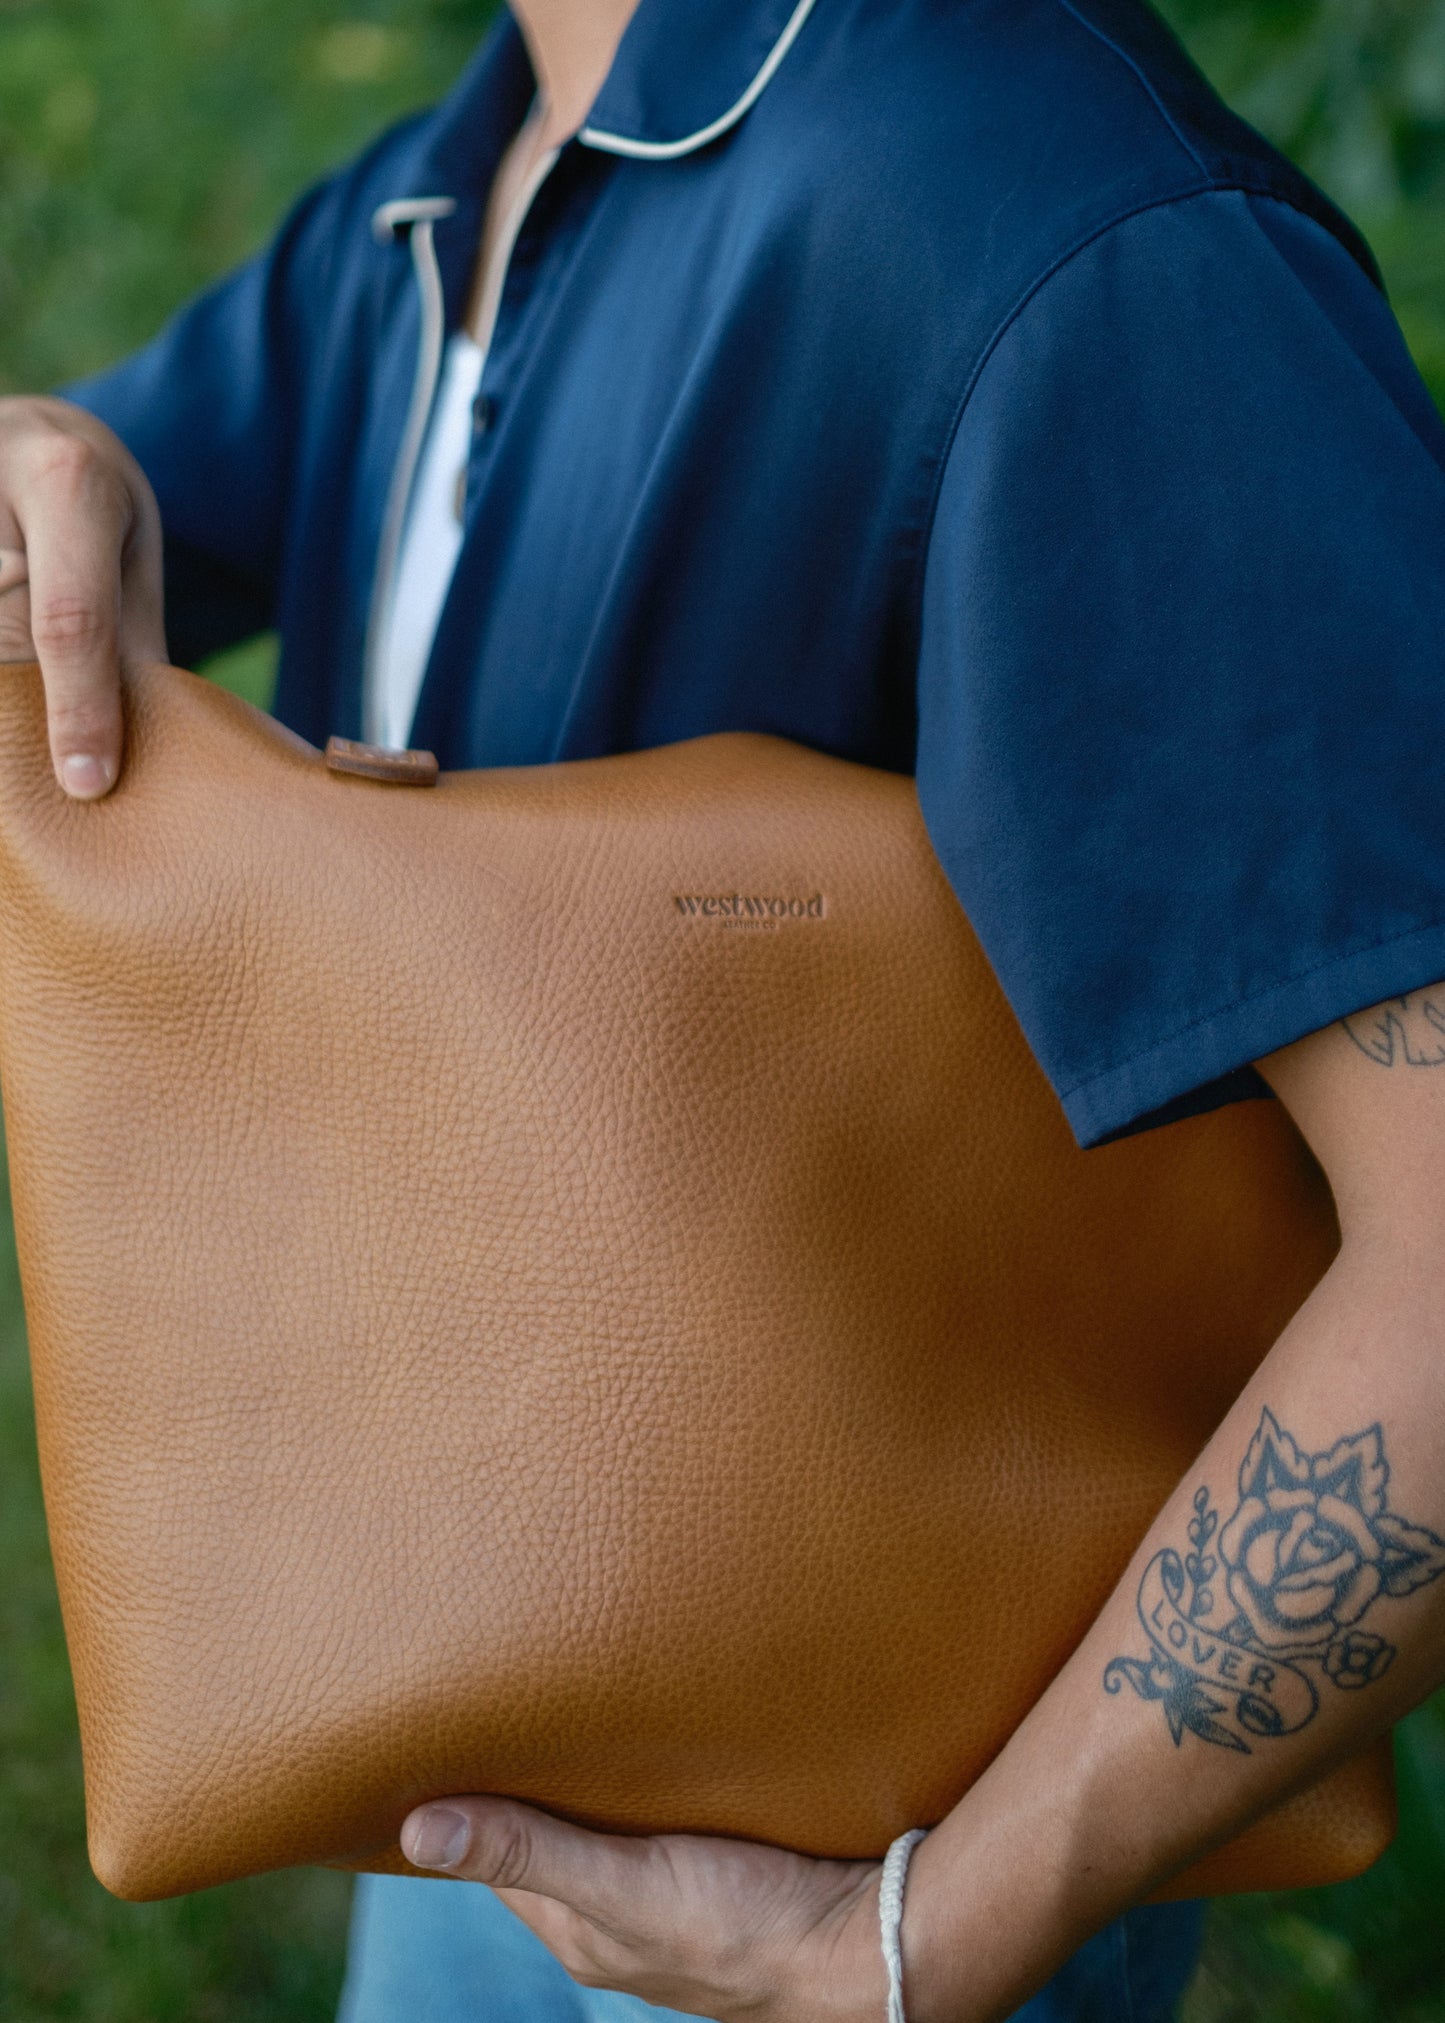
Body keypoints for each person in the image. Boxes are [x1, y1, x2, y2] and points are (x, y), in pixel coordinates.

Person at [5, 0, 1445, 2016]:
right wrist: (33, 461)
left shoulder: (1075, 239)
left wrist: (925, 1943)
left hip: (893, 1860)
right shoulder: (466, 168)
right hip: (451, 1729)